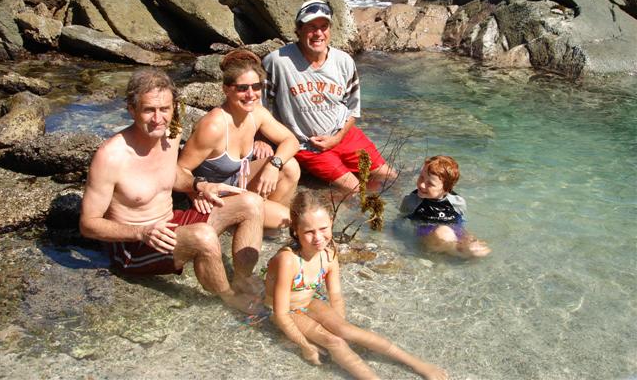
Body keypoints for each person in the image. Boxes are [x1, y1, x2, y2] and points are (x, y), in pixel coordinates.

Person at [80, 67, 265, 313]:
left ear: (173, 108)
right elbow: (88, 224)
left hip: (170, 223)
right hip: (134, 246)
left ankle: (242, 278)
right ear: (132, 110)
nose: (158, 118)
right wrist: (141, 232)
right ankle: (229, 297)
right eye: (149, 110)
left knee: (252, 203)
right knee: (203, 236)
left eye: (164, 109)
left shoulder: (171, 134)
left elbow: (170, 174)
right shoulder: (111, 157)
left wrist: (199, 185)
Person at [263, 190, 448, 380]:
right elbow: (280, 314)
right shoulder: (288, 260)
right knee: (333, 342)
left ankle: (416, 363)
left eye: (323, 228)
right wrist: (305, 345)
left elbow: (336, 296)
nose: (318, 237)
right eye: (309, 232)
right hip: (284, 311)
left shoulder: (329, 255)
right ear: (295, 229)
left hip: (308, 302)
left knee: (347, 331)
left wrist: (339, 325)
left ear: (331, 222)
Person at [262, 0, 395, 193]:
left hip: (344, 136)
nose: (318, 33)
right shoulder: (277, 62)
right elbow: (258, 105)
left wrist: (337, 138)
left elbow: (353, 109)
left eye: (324, 27)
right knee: (353, 189)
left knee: (389, 177)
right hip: (306, 145)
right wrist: (260, 139)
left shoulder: (344, 61)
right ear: (298, 30)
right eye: (311, 27)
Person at [178, 49, 301, 230]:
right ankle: (260, 221)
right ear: (226, 89)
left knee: (289, 166)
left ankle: (262, 226)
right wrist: (195, 192)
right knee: (291, 222)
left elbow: (291, 140)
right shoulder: (213, 127)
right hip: (216, 195)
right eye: (242, 88)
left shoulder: (256, 113)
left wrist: (273, 165)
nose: (251, 94)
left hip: (239, 181)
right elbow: (180, 169)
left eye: (256, 86)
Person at [400, 155, 491, 258]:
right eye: (421, 177)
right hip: (427, 233)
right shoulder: (411, 201)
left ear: (446, 189)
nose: (422, 185)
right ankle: (457, 253)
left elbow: (460, 223)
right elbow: (401, 220)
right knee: (443, 232)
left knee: (476, 248)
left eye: (430, 184)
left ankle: (461, 250)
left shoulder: (457, 202)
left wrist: (466, 238)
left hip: (453, 228)